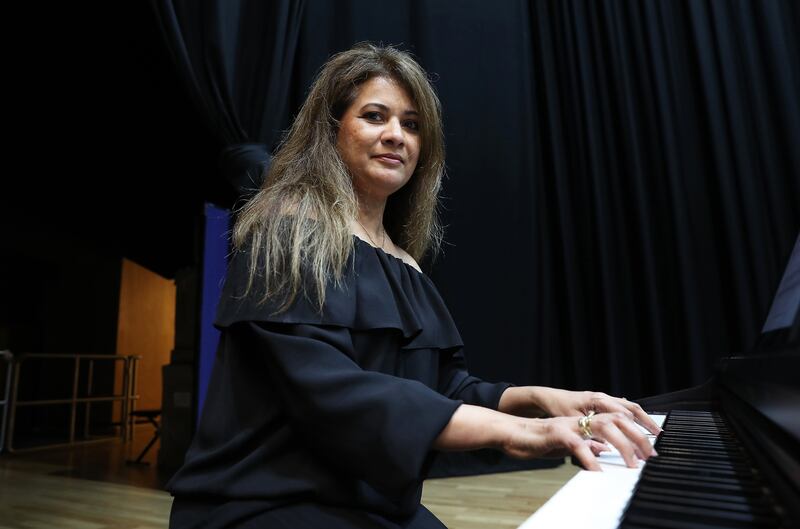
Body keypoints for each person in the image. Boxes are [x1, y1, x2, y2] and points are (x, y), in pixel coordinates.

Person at [166, 42, 660, 529]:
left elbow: (446, 388)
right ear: (331, 130)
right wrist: (524, 432)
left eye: (412, 124)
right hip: (263, 501)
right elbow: (338, 395)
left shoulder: (403, 262)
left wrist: (543, 398)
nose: (396, 135)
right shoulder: (290, 234)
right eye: (375, 116)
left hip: (366, 501)